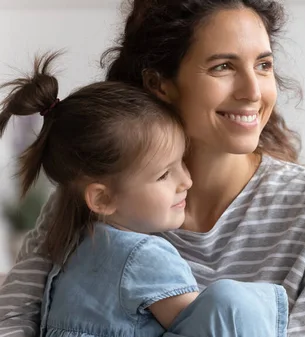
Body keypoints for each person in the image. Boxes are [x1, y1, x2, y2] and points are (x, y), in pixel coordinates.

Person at [0, 0, 305, 336]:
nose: (253, 91)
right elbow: (12, 320)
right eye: (223, 66)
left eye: (263, 65)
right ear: (159, 84)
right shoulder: (101, 200)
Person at [0, 52, 288, 337]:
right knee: (234, 305)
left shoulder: (72, 242)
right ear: (102, 199)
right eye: (164, 174)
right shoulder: (147, 258)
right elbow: (212, 325)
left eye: (182, 163)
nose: (186, 181)